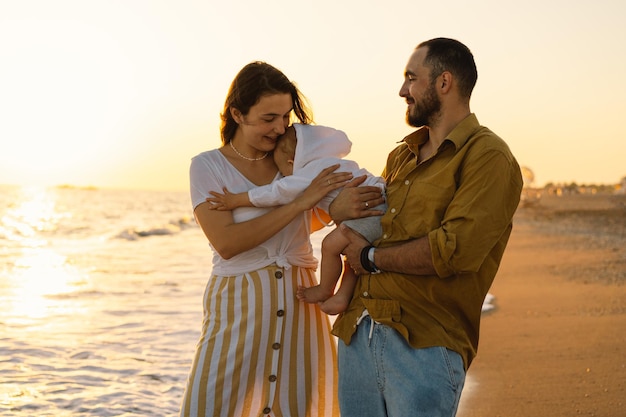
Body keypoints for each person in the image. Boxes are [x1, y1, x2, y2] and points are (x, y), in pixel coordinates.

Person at [328, 38, 524, 416]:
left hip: (424, 342)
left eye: (411, 78)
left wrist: (370, 258)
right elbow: (372, 224)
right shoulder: (400, 155)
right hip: (357, 335)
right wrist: (338, 208)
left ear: (444, 82)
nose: (403, 90)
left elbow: (456, 249)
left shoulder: (488, 156)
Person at [180, 61, 347, 417]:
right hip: (238, 312)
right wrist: (300, 201)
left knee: (303, 407)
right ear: (237, 114)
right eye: (268, 118)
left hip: (301, 306)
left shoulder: (295, 162)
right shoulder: (208, 166)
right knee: (208, 407)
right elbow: (227, 242)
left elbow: (321, 213)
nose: (280, 128)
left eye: (286, 117)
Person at [206, 123, 386, 315]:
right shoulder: (334, 162)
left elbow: (277, 192)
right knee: (352, 254)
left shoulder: (310, 171)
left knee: (329, 246)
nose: (283, 176)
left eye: (283, 170)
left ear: (292, 162)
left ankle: (325, 288)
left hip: (368, 215)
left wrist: (237, 200)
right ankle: (342, 297)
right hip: (380, 212)